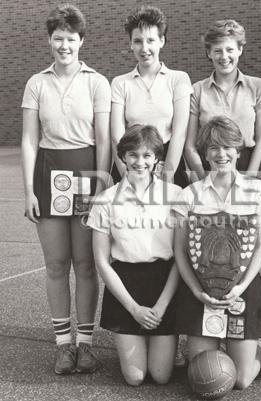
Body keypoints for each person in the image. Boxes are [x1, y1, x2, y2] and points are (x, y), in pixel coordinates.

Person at [21, 4, 110, 374]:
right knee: (57, 264)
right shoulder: (36, 83)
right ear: (49, 40)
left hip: (87, 173)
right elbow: (29, 139)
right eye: (57, 38)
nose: (64, 45)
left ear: (81, 41)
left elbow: (104, 141)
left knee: (86, 265)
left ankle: (86, 345)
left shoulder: (97, 82)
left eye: (70, 39)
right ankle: (63, 345)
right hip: (49, 174)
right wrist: (29, 190)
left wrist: (102, 187)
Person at [173, 116, 261, 389]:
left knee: (239, 381)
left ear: (238, 151)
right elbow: (180, 252)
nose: (221, 154)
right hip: (202, 293)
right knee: (202, 374)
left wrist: (240, 288)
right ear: (204, 153)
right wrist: (196, 291)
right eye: (213, 148)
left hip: (243, 289)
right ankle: (209, 342)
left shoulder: (257, 191)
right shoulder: (189, 195)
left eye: (228, 147)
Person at [87, 125, 181, 385]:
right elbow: (102, 263)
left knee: (161, 377)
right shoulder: (105, 200)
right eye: (133, 155)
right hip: (126, 284)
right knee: (135, 378)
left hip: (165, 283)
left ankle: (167, 344)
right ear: (123, 157)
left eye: (147, 155)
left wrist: (161, 306)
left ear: (156, 159)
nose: (140, 162)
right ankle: (139, 339)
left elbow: (180, 258)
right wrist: (134, 308)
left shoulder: (174, 195)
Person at [111, 5, 191, 186]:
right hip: (130, 160)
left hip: (168, 159)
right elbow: (117, 135)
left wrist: (168, 174)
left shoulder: (179, 79)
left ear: (162, 41)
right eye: (138, 41)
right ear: (131, 43)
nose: (144, 48)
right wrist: (126, 172)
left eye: (151, 40)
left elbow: (179, 133)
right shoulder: (119, 83)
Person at [184, 20, 261, 181]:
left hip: (247, 166)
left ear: (240, 50)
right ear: (209, 53)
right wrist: (203, 180)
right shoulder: (198, 90)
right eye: (217, 51)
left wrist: (249, 180)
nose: (224, 57)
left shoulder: (257, 86)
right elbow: (190, 145)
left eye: (230, 49)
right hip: (210, 167)